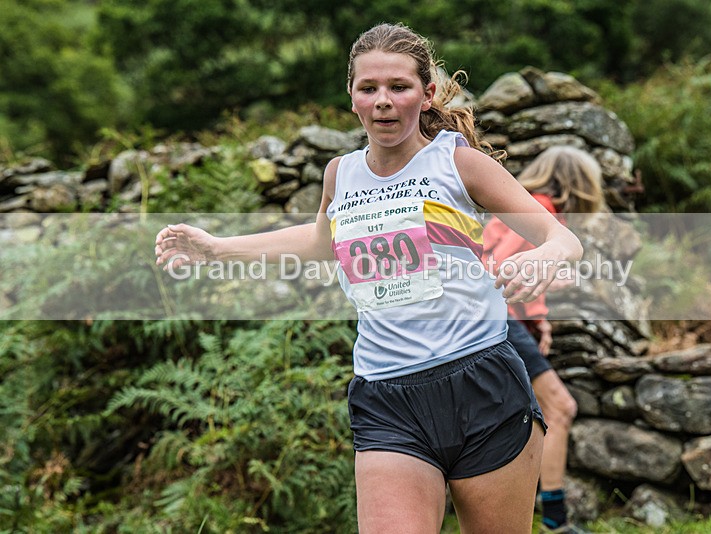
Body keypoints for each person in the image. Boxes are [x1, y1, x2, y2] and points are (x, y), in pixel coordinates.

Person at [155, 23, 583, 533]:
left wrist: (547, 255)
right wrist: (216, 247)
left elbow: (564, 239)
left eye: (399, 87)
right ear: (352, 98)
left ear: (425, 96)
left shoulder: (459, 164)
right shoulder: (341, 174)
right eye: (369, 88)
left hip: (481, 384)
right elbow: (319, 242)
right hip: (387, 395)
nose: (383, 101)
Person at [482, 145, 606, 533]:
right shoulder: (540, 209)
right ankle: (556, 522)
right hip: (495, 315)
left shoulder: (522, 206)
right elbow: (500, 265)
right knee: (560, 407)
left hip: (491, 315)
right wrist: (534, 316)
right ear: (579, 184)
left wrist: (539, 319)